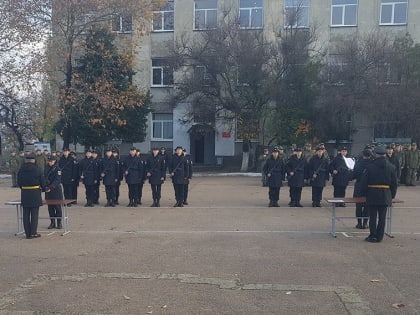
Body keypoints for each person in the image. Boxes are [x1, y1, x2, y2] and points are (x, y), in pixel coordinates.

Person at [360, 146, 398, 243]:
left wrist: (363, 193)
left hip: (372, 193)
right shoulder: (391, 167)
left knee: (372, 217)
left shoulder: (370, 166)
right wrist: (392, 196)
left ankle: (373, 236)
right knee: (382, 217)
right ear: (385, 154)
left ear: (376, 154)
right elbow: (394, 184)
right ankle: (380, 236)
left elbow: (364, 182)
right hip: (385, 194)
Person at [17, 153, 46, 239]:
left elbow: (19, 181)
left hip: (25, 192)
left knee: (25, 214)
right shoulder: (37, 169)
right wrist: (44, 189)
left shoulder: (21, 169)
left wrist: (23, 188)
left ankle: (27, 233)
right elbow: (42, 181)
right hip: (35, 192)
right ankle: (33, 233)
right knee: (34, 214)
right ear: (34, 160)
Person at [351, 149, 372, 229]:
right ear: (370, 155)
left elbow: (353, 175)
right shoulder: (372, 164)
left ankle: (359, 223)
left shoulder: (358, 163)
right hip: (369, 187)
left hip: (359, 186)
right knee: (367, 206)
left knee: (358, 206)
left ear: (363, 155)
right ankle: (365, 223)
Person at [44, 156, 64, 229]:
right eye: (49, 161)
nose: (50, 162)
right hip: (48, 190)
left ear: (54, 161)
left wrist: (51, 187)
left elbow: (57, 180)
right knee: (50, 208)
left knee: (57, 207)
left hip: (56, 190)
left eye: (51, 161)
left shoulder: (58, 169)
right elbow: (44, 177)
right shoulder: (46, 168)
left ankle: (59, 223)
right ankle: (52, 222)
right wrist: (45, 186)